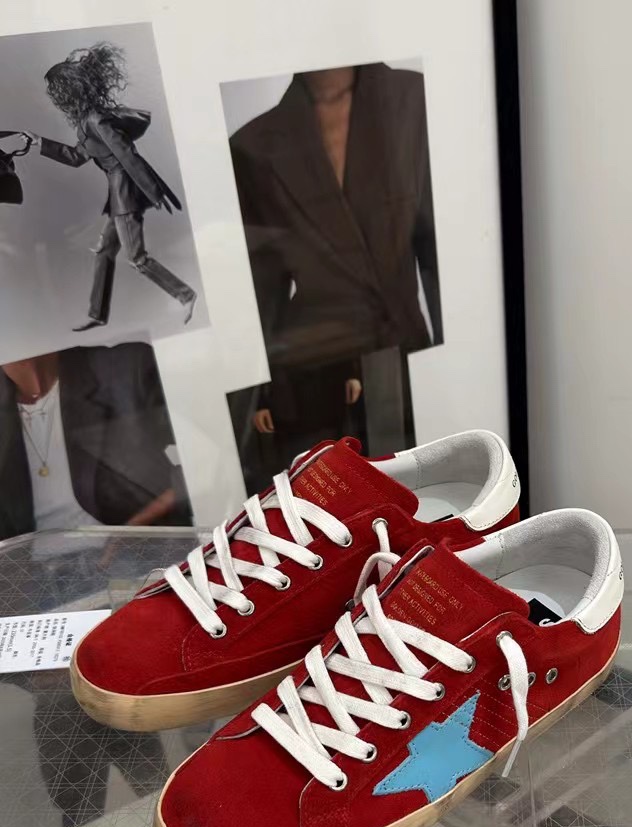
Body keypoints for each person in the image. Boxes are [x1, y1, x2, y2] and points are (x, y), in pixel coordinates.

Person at [228, 62, 441, 481]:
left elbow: (438, 248)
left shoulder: (413, 96)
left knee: (423, 491)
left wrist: (452, 362)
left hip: (409, 354)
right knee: (338, 495)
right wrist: (262, 396)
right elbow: (260, 295)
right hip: (315, 370)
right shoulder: (252, 146)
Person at [21, 42, 197, 331]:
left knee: (137, 259)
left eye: (55, 90)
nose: (54, 96)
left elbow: (127, 154)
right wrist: (40, 143)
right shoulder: (85, 122)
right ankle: (97, 314)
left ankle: (185, 295)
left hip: (125, 193)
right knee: (104, 252)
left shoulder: (96, 120)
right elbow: (76, 157)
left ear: (67, 91)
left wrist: (154, 191)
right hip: (117, 194)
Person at [0, 342, 190, 540]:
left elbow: (203, 458)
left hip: (135, 547)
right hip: (29, 558)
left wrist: (136, 527)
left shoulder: (126, 369)